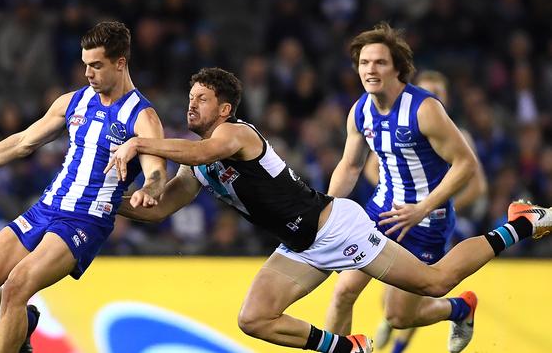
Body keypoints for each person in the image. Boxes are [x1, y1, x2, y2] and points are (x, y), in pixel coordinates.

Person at [107, 66, 551, 353]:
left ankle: (519, 223)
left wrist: (138, 143)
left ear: (224, 108)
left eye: (201, 98)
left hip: (337, 230)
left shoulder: (234, 134)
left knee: (436, 283)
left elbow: (203, 153)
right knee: (254, 319)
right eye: (190, 97)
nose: (191, 103)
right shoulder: (199, 166)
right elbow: (158, 211)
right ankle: (350, 348)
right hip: (299, 246)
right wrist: (107, 202)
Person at [0, 21, 166, 352]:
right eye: (85, 65)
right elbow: (21, 143)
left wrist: (149, 190)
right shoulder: (74, 102)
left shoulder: (143, 117)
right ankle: (25, 323)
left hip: (85, 220)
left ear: (120, 62)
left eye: (96, 65)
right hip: (48, 207)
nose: (88, 73)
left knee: (17, 285)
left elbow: (156, 170)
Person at [325, 64, 488, 353]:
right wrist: (398, 190)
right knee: (344, 291)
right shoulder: (390, 119)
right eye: (427, 91)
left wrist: (431, 203)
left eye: (438, 92)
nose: (432, 97)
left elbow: (476, 185)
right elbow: (369, 167)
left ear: (447, 98)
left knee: (400, 313)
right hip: (385, 215)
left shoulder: (457, 134)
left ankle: (458, 309)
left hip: (430, 221)